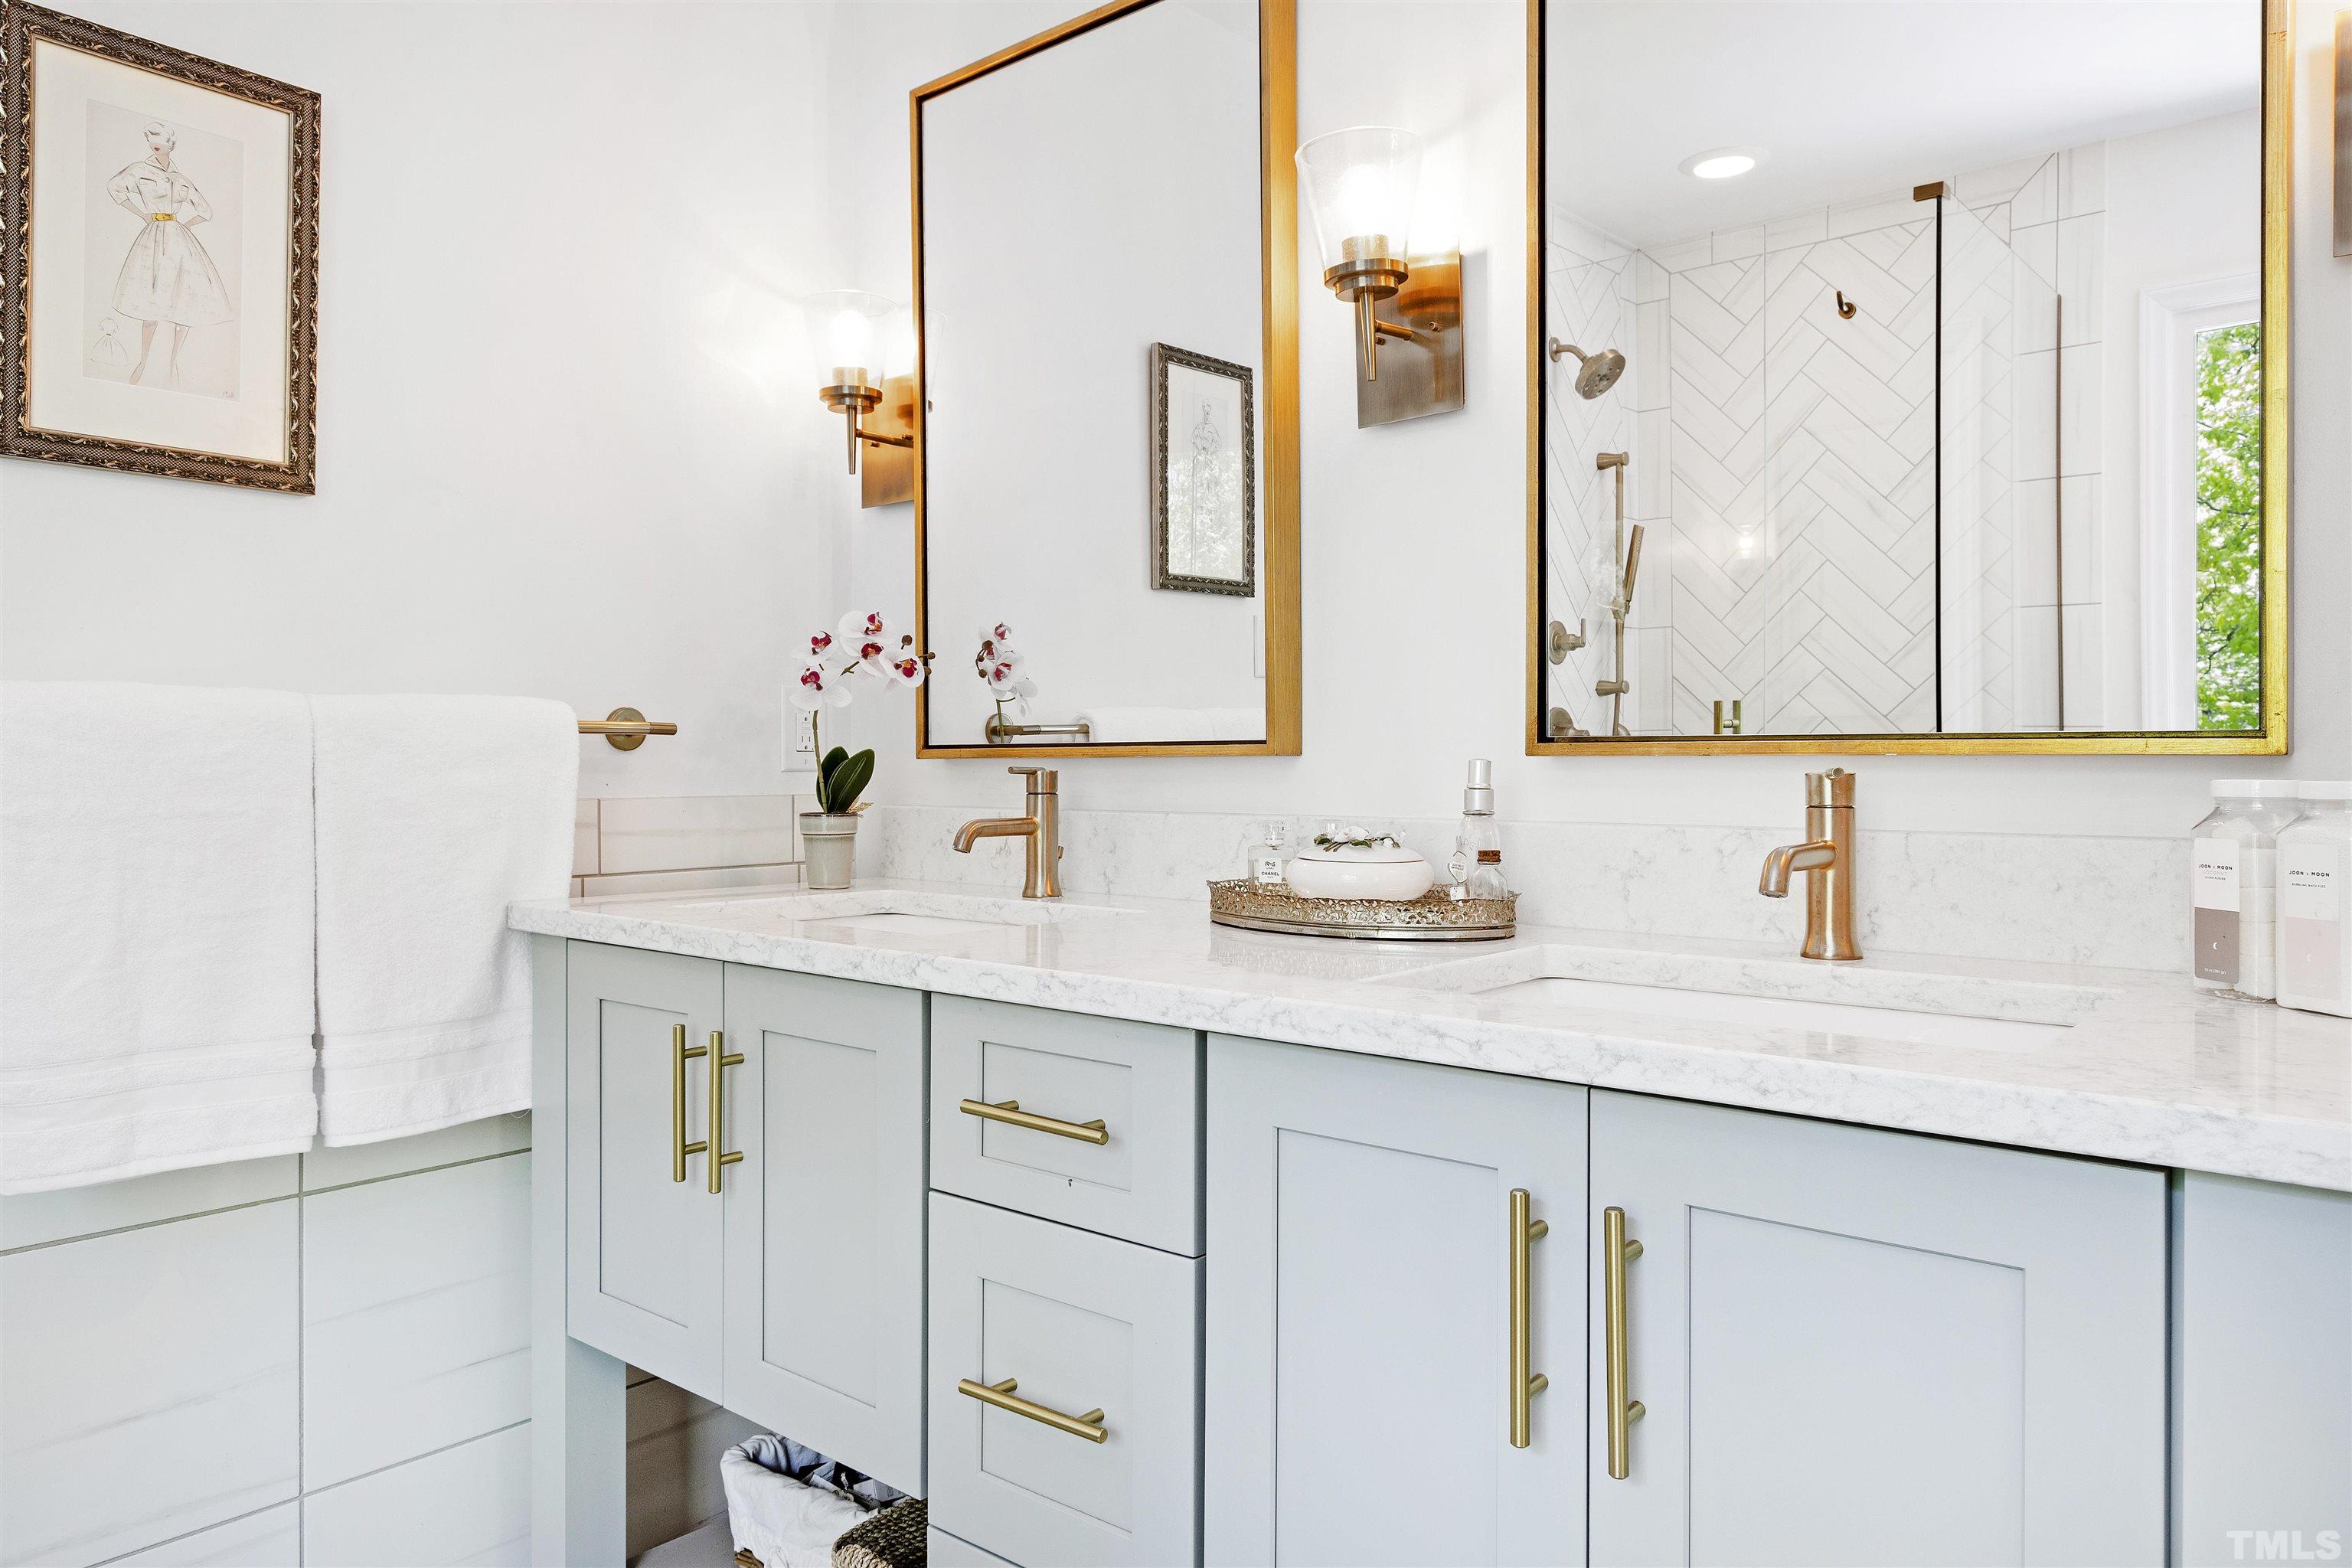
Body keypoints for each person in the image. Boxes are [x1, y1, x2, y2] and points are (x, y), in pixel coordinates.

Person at [106, 121, 231, 387]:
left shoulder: (181, 179)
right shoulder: (139, 170)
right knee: (151, 302)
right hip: (153, 237)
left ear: (171, 144)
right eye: (151, 138)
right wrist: (142, 214)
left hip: (178, 239)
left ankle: (173, 363)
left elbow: (205, 210)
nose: (156, 143)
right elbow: (114, 187)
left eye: (161, 139)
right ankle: (143, 360)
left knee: (183, 303)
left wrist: (186, 225)